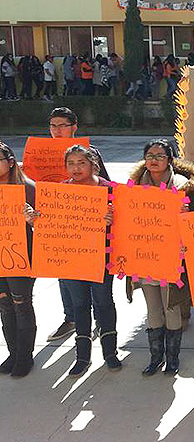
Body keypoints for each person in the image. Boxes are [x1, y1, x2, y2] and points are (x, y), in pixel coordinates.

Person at [127, 140, 194, 376]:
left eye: (160, 155)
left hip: (172, 258)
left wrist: (187, 215)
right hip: (145, 257)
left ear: (170, 159)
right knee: (152, 309)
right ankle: (155, 357)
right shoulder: (134, 187)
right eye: (149, 155)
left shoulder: (182, 186)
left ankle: (172, 359)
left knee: (171, 308)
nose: (154, 160)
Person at [45, 108, 110, 343]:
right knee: (64, 275)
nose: (57, 130)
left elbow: (106, 185)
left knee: (97, 285)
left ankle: (103, 323)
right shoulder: (39, 154)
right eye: (53, 125)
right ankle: (71, 318)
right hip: (60, 225)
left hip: (90, 227)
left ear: (74, 127)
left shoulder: (89, 152)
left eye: (62, 125)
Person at [57, 145, 119, 376]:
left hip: (101, 258)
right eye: (71, 163)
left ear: (93, 163)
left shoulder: (109, 189)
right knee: (79, 306)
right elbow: (53, 227)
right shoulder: (60, 191)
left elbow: (126, 225)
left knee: (104, 303)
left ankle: (110, 353)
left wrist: (112, 219)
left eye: (81, 163)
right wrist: (35, 220)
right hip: (72, 259)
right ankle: (82, 357)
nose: (75, 168)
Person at [0, 142, 37, 377]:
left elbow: (47, 226)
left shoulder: (27, 187)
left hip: (21, 256)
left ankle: (25, 356)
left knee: (21, 305)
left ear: (10, 161)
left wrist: (32, 219)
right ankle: (13, 353)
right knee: (4, 306)